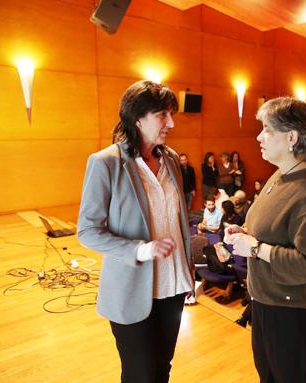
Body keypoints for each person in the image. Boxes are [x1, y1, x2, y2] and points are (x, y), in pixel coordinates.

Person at [77, 80, 194, 382]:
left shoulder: (171, 160)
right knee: (140, 373)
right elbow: (88, 230)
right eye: (162, 115)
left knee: (162, 368)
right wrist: (141, 249)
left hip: (173, 285)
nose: (171, 122)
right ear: (137, 118)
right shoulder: (106, 163)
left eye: (172, 114)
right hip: (131, 289)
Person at [224, 97, 306, 383]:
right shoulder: (282, 174)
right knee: (269, 376)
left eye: (267, 130)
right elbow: (266, 225)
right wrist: (243, 233)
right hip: (267, 299)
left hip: (292, 308)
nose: (259, 136)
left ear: (291, 137)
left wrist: (257, 248)